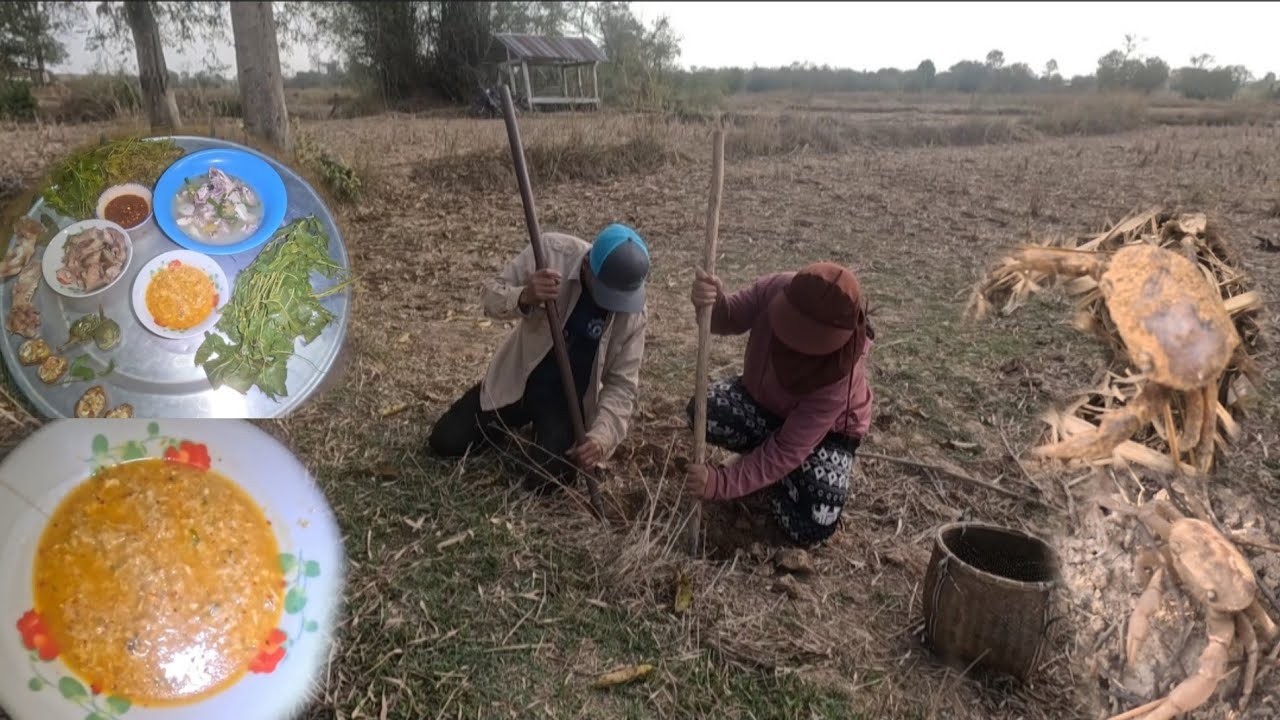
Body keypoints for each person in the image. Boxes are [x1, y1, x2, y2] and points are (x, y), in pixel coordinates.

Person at [428, 223, 650, 493]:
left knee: (550, 484)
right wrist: (525, 295)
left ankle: (546, 435)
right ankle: (506, 426)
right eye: (607, 294)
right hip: (518, 381)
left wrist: (602, 437)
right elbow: (489, 297)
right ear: (587, 267)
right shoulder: (549, 253)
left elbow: (621, 385)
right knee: (445, 442)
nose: (613, 304)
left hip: (566, 403)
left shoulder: (633, 312)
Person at [685, 261, 874, 546]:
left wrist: (721, 483)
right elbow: (727, 318)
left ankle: (781, 478)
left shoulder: (841, 374)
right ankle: (763, 466)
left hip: (828, 434)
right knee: (705, 411)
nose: (795, 348)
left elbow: (787, 449)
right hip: (765, 404)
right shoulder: (776, 288)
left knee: (810, 526)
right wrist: (712, 303)